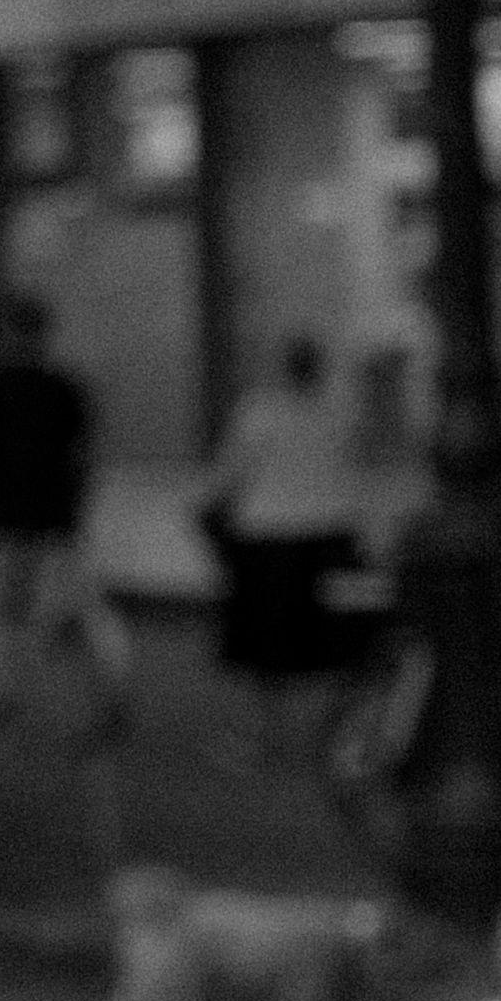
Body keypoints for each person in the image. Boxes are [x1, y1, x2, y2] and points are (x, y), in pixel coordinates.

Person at [194, 327, 372, 764]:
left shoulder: (258, 412)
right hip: (333, 536)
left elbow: (231, 473)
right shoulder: (340, 411)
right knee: (342, 643)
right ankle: (334, 735)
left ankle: (265, 737)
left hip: (269, 541)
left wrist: (205, 507)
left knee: (266, 646)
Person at [0, 295, 122, 744]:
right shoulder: (66, 389)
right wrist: (77, 508)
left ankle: (1, 697)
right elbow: (87, 458)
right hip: (55, 521)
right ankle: (99, 698)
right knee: (62, 616)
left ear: (7, 334)